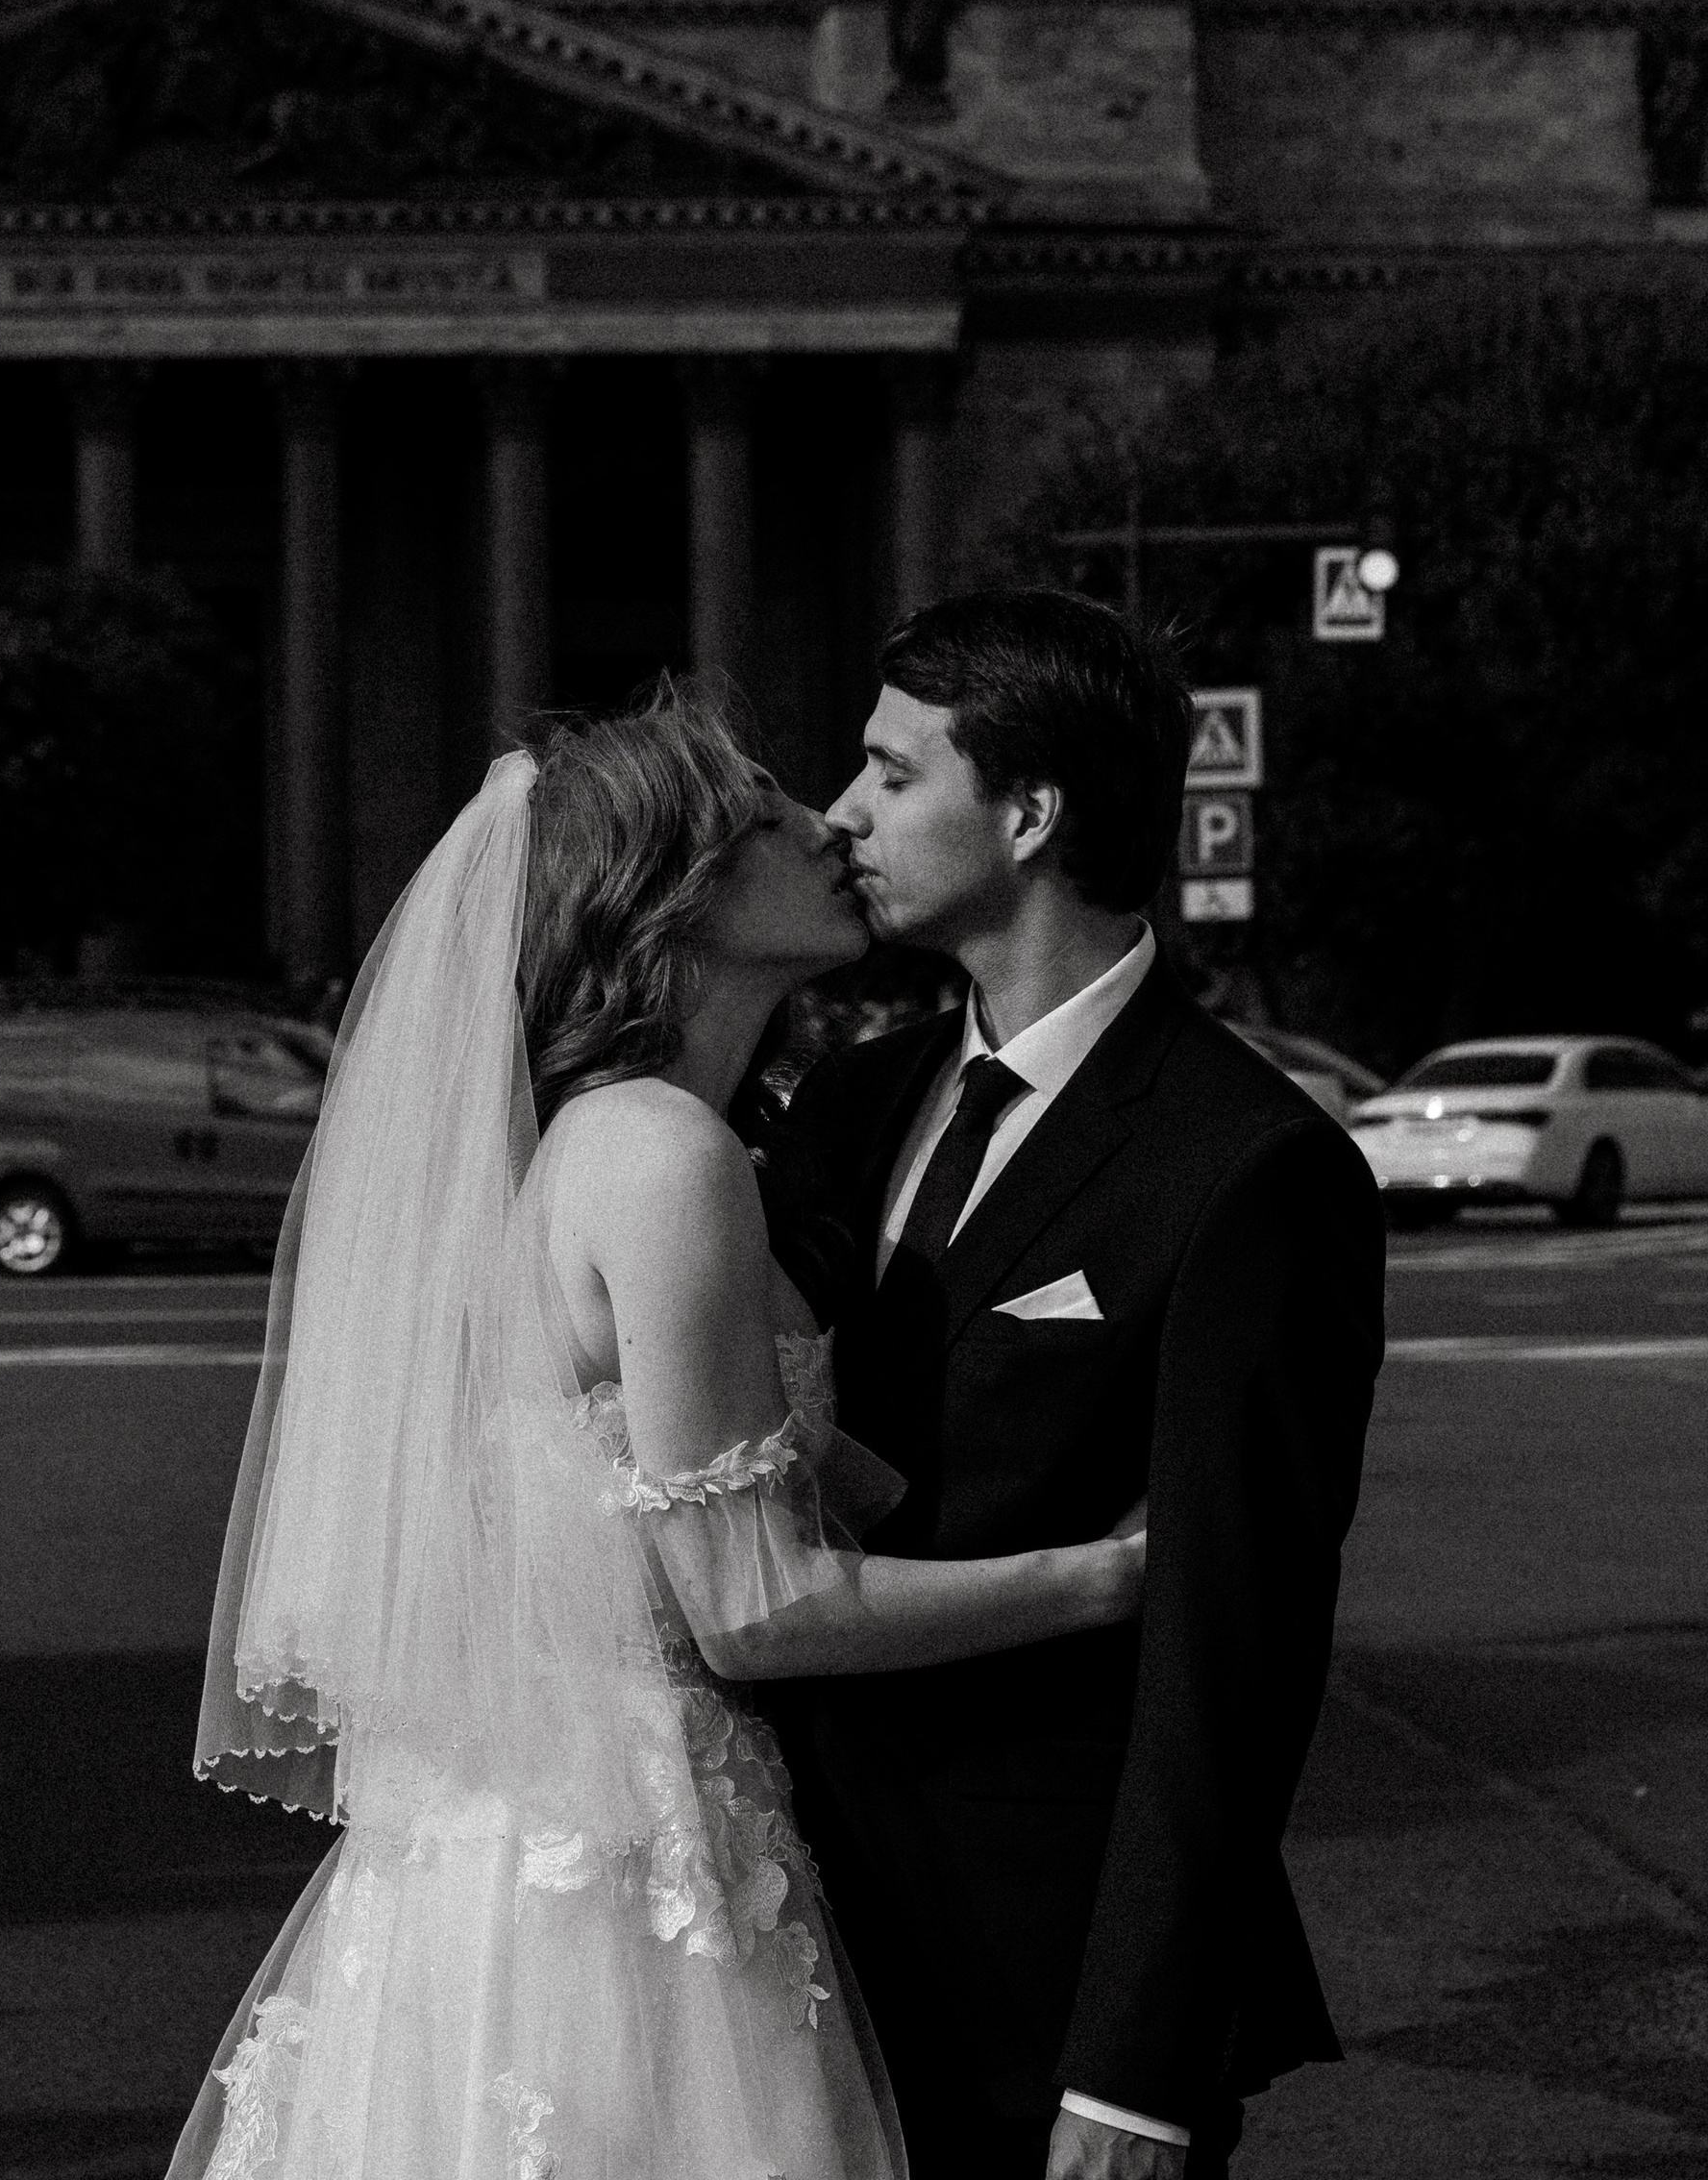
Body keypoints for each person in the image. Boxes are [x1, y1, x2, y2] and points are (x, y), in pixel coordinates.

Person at [171, 691, 1149, 2180]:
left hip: (530, 1863)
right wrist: (1102, 1574)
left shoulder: (626, 1144)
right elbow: (753, 1608)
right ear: (669, 897)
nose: (825, 823)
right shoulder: (659, 1155)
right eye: (763, 816)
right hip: (624, 1890)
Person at [758, 591, 1386, 2180]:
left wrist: (1135, 2070)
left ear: (1031, 813)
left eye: (895, 775)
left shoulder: (1250, 1168)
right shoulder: (846, 1101)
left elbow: (1227, 1660)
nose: (843, 815)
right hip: (779, 1963)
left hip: (1040, 2000)